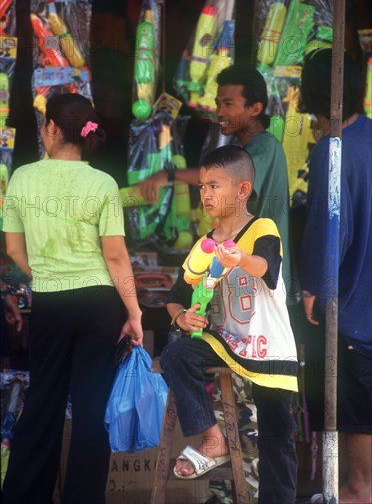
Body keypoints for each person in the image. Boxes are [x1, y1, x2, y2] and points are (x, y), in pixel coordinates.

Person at [2, 93, 143, 504]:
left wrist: (45, 274)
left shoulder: (22, 177)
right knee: (90, 410)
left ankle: (24, 498)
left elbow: (13, 250)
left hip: (49, 302)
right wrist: (133, 311)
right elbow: (115, 255)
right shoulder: (103, 183)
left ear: (50, 127)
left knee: (42, 405)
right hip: (99, 303)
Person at [160, 145, 298, 504]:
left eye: (215, 186)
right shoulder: (204, 245)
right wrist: (181, 316)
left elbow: (265, 267)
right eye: (203, 185)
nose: (205, 193)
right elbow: (175, 295)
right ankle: (213, 439)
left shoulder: (262, 228)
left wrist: (240, 257)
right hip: (223, 344)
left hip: (267, 349)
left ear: (242, 191)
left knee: (276, 439)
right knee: (176, 355)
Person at [138, 64, 297, 303]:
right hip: (246, 275)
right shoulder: (250, 148)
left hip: (264, 278)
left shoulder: (263, 147)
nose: (219, 111)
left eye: (228, 104)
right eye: (218, 103)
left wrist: (169, 176)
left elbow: (223, 179)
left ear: (255, 108)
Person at [299, 49, 372, 504]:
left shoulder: (334, 149)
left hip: (351, 321)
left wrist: (313, 287)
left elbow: (331, 226)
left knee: (356, 481)